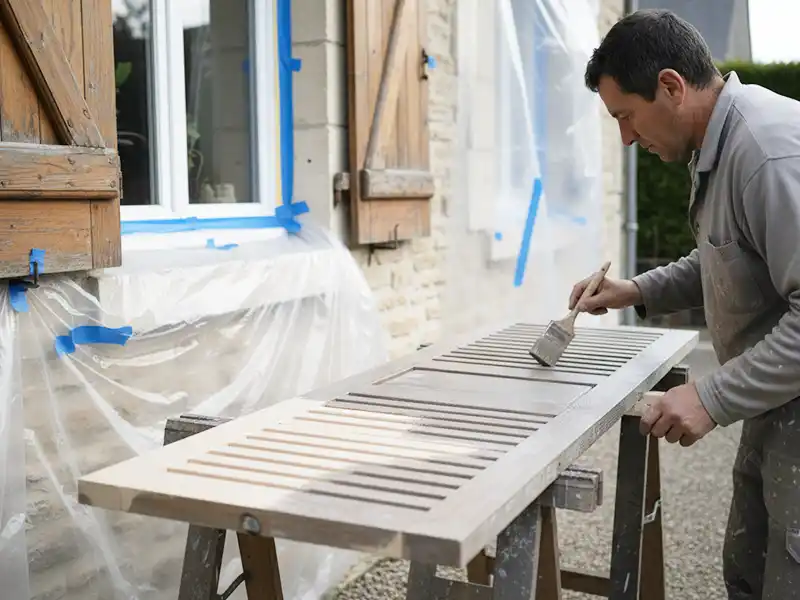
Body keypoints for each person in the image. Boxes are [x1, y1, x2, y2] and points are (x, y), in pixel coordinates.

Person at [569, 8, 800, 599]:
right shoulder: (718, 143)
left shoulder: (767, 153)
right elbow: (728, 256)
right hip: (776, 397)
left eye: (625, 116)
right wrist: (637, 290)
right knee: (749, 570)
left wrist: (709, 396)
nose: (626, 138)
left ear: (671, 86)